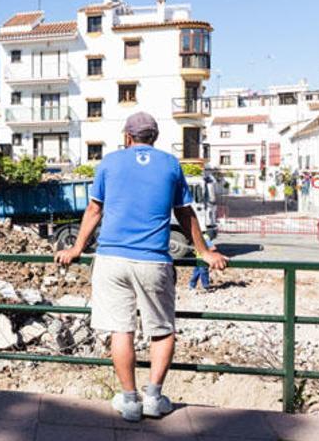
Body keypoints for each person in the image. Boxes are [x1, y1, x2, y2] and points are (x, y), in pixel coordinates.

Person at [55, 112, 228, 422]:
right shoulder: (170, 164)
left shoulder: (109, 162)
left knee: (121, 329)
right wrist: (204, 251)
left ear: (127, 137)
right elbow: (185, 214)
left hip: (111, 260)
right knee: (162, 330)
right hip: (153, 260)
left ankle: (130, 401)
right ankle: (153, 397)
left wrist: (76, 248)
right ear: (155, 137)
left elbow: (95, 210)